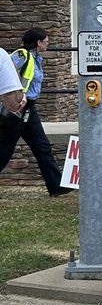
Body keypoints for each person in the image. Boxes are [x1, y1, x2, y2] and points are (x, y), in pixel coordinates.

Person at [0, 28, 66, 195]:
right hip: (18, 106)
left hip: (30, 108)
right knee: (4, 149)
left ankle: (56, 186)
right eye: (46, 41)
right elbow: (8, 72)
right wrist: (17, 94)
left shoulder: (37, 59)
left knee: (42, 146)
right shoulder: (21, 55)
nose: (48, 44)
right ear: (38, 42)